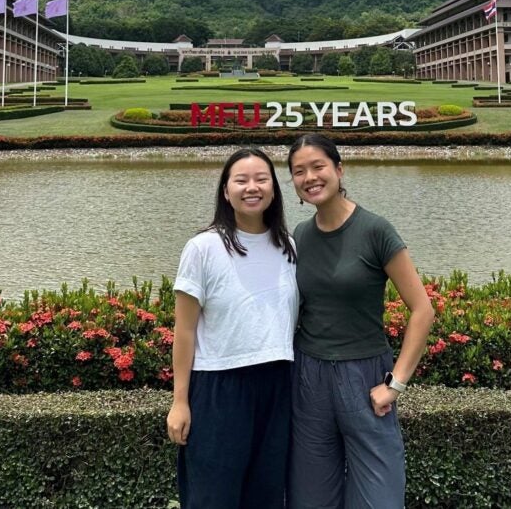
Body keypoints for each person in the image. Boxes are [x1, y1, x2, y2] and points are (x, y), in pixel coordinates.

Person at [286, 133, 435, 509]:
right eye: (299, 171)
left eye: (318, 167)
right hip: (309, 377)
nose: (310, 177)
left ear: (339, 169)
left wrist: (395, 384)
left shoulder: (375, 230)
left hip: (366, 376)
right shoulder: (300, 235)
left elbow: (423, 310)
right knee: (310, 499)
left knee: (379, 499)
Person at [167, 147, 298, 508]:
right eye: (240, 180)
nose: (251, 187)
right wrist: (180, 401)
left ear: (274, 189)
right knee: (214, 497)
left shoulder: (288, 246)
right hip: (219, 386)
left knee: (267, 496)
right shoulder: (203, 247)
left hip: (276, 383)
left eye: (261, 179)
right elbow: (185, 330)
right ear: (226, 191)